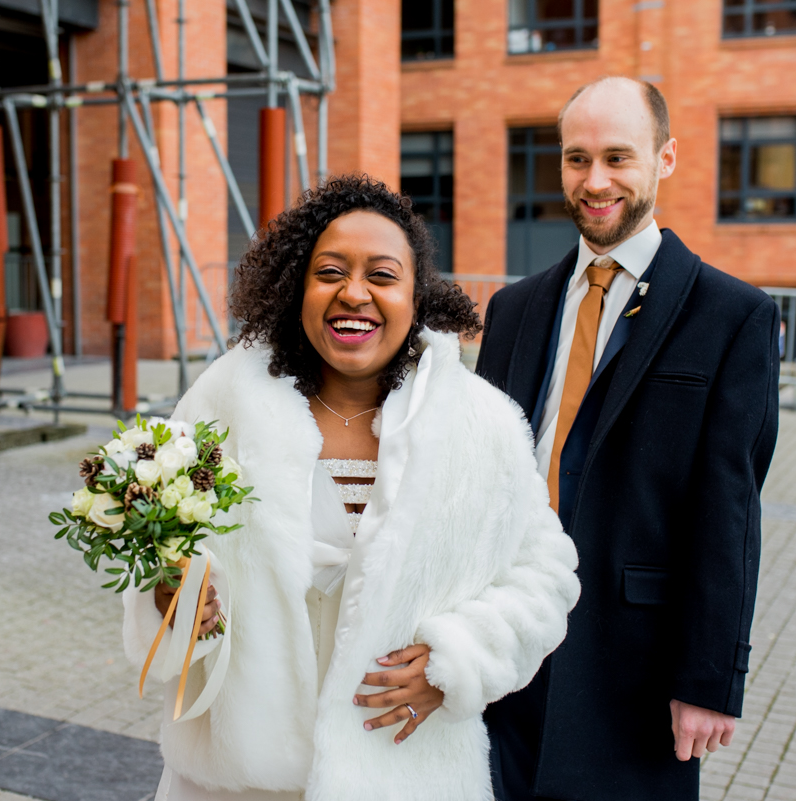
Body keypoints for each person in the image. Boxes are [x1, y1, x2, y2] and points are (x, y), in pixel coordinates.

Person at [122, 176, 581, 800]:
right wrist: (170, 592)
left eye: (383, 275)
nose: (354, 294)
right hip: (234, 779)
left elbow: (547, 571)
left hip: (404, 773)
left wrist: (461, 658)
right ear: (295, 289)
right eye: (330, 271)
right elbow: (161, 543)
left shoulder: (480, 423)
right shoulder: (223, 402)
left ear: (418, 295)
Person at [475, 77, 781, 800]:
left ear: (664, 158)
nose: (596, 180)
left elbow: (729, 509)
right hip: (504, 647)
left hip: (633, 666)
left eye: (618, 157)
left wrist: (710, 679)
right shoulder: (514, 309)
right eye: (577, 159)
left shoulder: (733, 316)